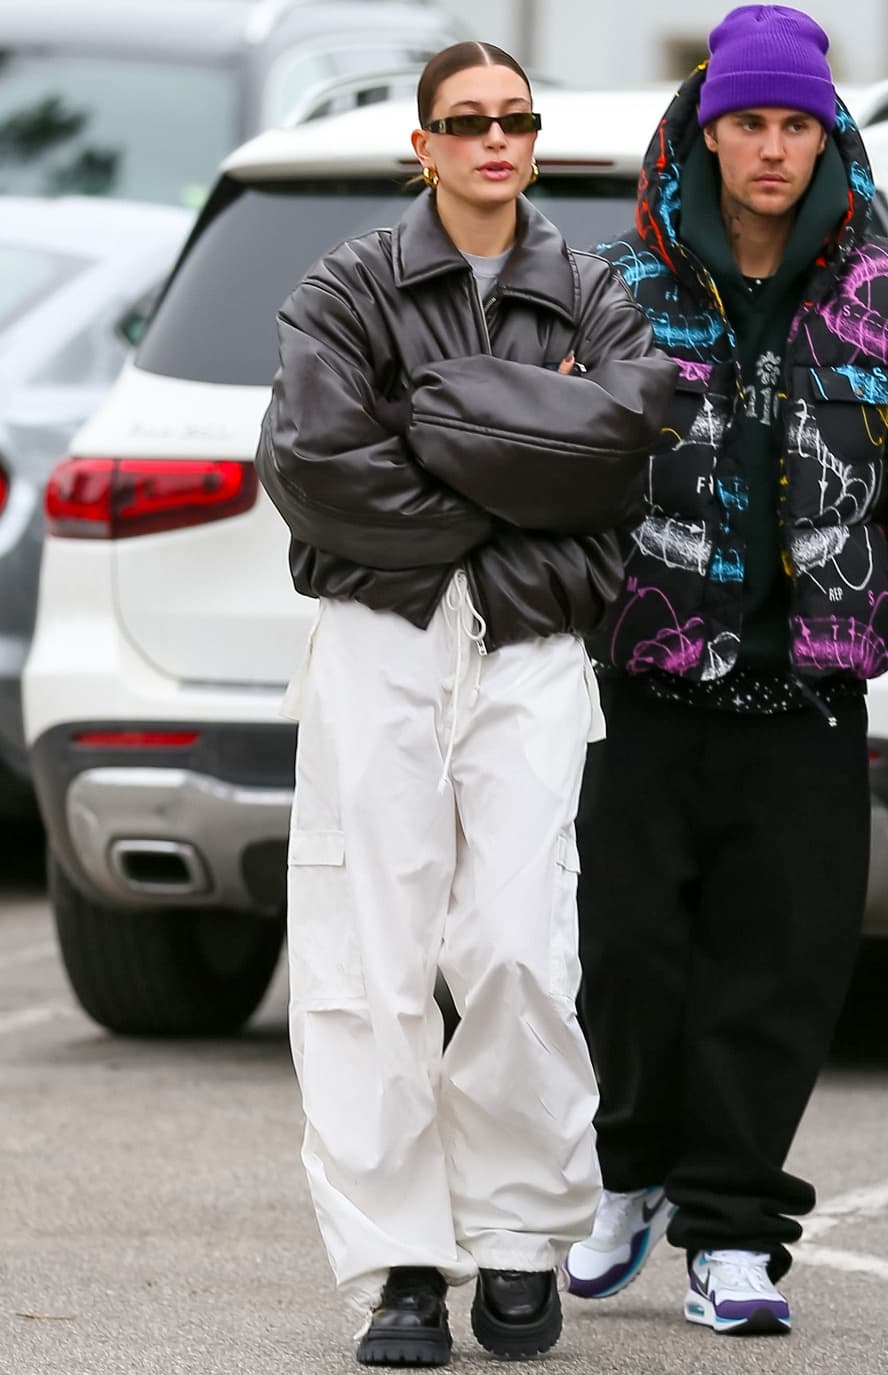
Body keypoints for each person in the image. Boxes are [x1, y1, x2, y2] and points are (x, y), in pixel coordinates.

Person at [563, 4, 888, 1337]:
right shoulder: (616, 295)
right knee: (623, 963)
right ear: (707, 131)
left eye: (795, 124)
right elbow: (553, 476)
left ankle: (736, 1233)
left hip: (809, 704)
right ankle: (631, 1171)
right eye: (748, 122)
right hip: (632, 701)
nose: (771, 148)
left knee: (780, 971)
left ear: (829, 133)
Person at [255, 40, 676, 1370]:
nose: (495, 138)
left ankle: (513, 1240)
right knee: (369, 956)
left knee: (513, 944)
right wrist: (517, 451)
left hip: (534, 648)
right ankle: (401, 1267)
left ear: (532, 142)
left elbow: (620, 464)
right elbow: (320, 471)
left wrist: (431, 421)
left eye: (516, 118)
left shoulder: (593, 294)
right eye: (466, 120)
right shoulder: (343, 288)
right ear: (421, 145)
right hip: (377, 641)